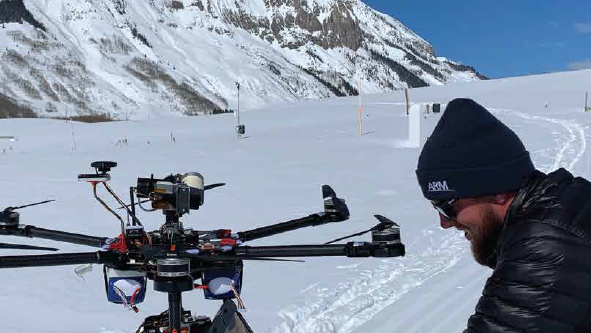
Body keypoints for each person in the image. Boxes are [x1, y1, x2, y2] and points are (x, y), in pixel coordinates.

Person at [415, 98, 591, 332]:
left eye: (446, 206)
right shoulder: (562, 202)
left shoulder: (547, 243)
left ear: (497, 192)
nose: (444, 222)